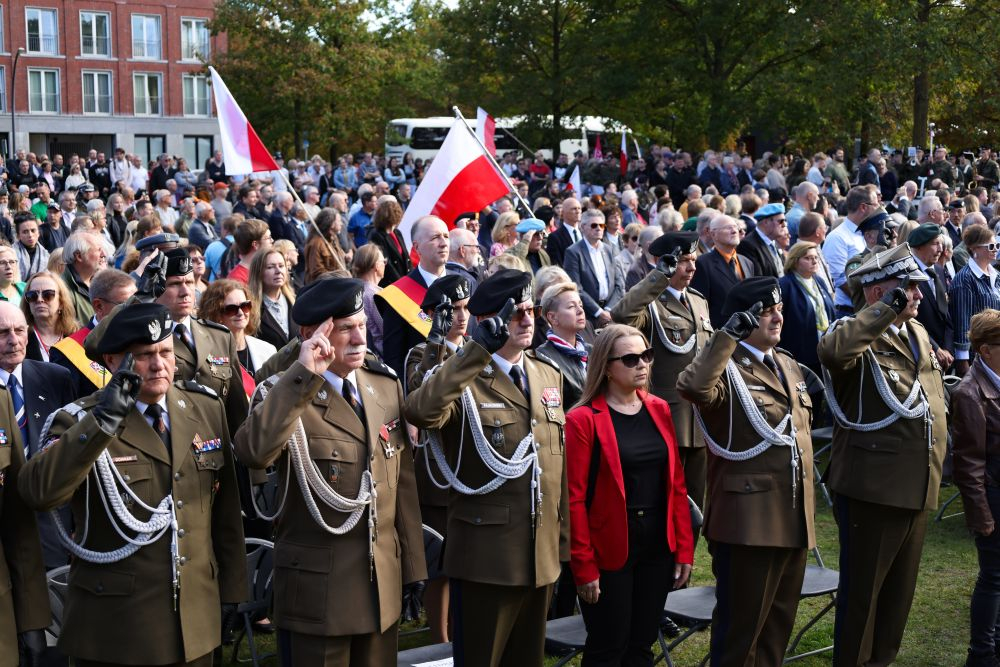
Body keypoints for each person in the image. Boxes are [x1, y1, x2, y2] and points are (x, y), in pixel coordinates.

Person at [20, 302, 247, 666]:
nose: (159, 365)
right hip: (118, 627)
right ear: (112, 362)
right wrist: (102, 423)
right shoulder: (80, 419)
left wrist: (234, 588)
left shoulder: (204, 407)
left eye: (165, 352)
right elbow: (39, 492)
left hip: (195, 618)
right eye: (143, 356)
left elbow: (224, 513)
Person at [234, 277, 427, 667]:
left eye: (362, 325)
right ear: (312, 334)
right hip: (318, 594)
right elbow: (254, 451)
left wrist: (412, 569)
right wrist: (304, 374)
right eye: (346, 329)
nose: (360, 338)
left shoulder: (383, 385)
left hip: (379, 586)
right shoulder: (283, 391)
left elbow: (400, 486)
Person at [404, 268, 568, 667]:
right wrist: (473, 353)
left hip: (539, 553)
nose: (527, 320)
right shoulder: (463, 375)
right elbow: (421, 411)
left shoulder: (547, 373)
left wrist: (560, 545)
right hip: (487, 558)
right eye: (515, 314)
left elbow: (553, 467)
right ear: (487, 321)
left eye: (530, 310)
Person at [817, 244, 948, 667]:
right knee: (863, 599)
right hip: (873, 489)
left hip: (917, 481)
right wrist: (883, 311)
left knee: (897, 600)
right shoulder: (854, 332)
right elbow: (834, 353)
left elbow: (930, 399)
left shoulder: (918, 333)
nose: (918, 295)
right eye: (908, 287)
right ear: (877, 293)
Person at [677, 276, 815, 667]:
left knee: (776, 629)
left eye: (778, 310)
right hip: (748, 523)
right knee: (740, 635)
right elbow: (694, 388)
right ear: (743, 318)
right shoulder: (726, 367)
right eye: (766, 312)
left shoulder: (787, 364)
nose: (776, 318)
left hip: (791, 516)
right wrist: (726, 337)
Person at [566, 324, 694, 666]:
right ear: (606, 367)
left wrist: (683, 547)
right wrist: (584, 566)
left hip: (657, 544)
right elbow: (574, 500)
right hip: (610, 547)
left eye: (647, 355)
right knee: (608, 646)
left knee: (641, 644)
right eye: (631, 358)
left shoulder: (659, 408)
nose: (643, 364)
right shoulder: (582, 420)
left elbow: (676, 486)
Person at [612, 232, 714, 532]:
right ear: (665, 264)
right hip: (668, 419)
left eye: (693, 260)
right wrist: (658, 277)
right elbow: (621, 315)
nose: (691, 267)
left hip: (701, 421)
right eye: (683, 261)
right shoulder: (651, 304)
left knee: (695, 510)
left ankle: (684, 567)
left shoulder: (699, 302)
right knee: (663, 504)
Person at [403, 274, 472, 645]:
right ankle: (439, 638)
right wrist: (435, 341)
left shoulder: (478, 348)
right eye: (452, 311)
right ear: (432, 314)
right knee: (440, 562)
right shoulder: (421, 352)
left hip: (474, 467)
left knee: (467, 559)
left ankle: (463, 627)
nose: (460, 318)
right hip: (437, 471)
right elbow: (418, 391)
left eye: (464, 309)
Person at [0, 300, 74, 570]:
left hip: (52, 530)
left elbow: (72, 456)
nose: (13, 340)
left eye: (19, 331)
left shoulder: (56, 378)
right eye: (3, 333)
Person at [151, 248, 251, 441]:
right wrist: (139, 298)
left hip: (217, 451)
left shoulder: (220, 336)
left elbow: (237, 410)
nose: (185, 291)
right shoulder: (146, 337)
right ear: (157, 289)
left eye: (189, 282)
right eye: (175, 284)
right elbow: (96, 346)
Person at [951, 309, 1000, 667]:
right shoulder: (970, 393)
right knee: (993, 577)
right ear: (985, 350)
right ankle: (981, 654)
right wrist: (981, 515)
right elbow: (968, 465)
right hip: (993, 495)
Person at [377, 215, 451, 377]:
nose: (444, 243)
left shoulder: (465, 284)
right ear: (417, 248)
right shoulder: (397, 295)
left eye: (446, 236)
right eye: (435, 238)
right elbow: (394, 358)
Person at [50, 268, 136, 399]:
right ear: (99, 306)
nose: (134, 311)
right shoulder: (67, 352)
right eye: (125, 305)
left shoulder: (141, 340)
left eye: (136, 303)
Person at [200, 280, 277, 398]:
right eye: (232, 309)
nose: (240, 313)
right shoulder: (206, 355)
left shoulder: (268, 350)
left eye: (245, 306)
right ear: (216, 313)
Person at [778, 241, 834, 377]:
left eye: (815, 257)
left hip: (825, 348)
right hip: (800, 353)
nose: (814, 261)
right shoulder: (784, 285)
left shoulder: (819, 281)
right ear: (795, 261)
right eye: (808, 258)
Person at [690, 215, 756, 327]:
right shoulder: (702, 264)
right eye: (728, 227)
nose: (734, 230)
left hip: (747, 335)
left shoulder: (747, 262)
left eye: (736, 227)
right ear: (713, 234)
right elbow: (700, 306)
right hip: (721, 334)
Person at [951, 225, 1000, 375]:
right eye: (991, 246)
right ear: (975, 249)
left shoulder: (995, 275)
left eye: (997, 245)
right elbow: (962, 322)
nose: (996, 249)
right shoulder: (964, 279)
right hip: (977, 357)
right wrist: (963, 364)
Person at [565, 208, 625, 326]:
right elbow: (576, 287)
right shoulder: (573, 252)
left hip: (611, 313)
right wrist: (598, 312)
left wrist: (607, 310)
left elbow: (619, 284)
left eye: (601, 225)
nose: (598, 228)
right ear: (583, 227)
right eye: (594, 225)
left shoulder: (609, 249)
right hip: (588, 316)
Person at [536, 283, 590, 409]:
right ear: (553, 317)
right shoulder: (542, 357)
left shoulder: (593, 350)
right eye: (571, 306)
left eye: (580, 305)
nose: (580, 310)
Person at [247, 248, 299, 352]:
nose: (278, 271)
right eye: (270, 267)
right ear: (259, 272)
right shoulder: (250, 308)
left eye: (281, 266)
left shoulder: (295, 300)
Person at [21, 270, 78, 362]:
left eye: (48, 295)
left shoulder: (78, 336)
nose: (39, 300)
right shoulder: (19, 339)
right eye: (32, 295)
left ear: (61, 302)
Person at [61, 232, 107, 322]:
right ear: (79, 256)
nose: (103, 254)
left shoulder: (99, 282)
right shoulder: (63, 290)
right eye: (98, 250)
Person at [367, 199, 411, 287]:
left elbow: (406, 257)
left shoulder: (397, 233)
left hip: (404, 280)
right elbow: (387, 264)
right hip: (390, 284)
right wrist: (401, 283)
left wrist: (410, 279)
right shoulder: (376, 235)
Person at [737, 202, 787, 278]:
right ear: (766, 222)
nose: (784, 225)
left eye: (785, 221)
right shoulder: (748, 245)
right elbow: (758, 280)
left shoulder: (773, 240)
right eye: (780, 221)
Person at [354, 245, 386, 357]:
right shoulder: (374, 295)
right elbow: (386, 329)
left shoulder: (354, 289)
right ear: (377, 266)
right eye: (384, 261)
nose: (385, 265)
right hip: (380, 356)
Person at [304, 208, 347, 284]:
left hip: (337, 285)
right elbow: (317, 272)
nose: (341, 223)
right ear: (331, 223)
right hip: (322, 288)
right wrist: (338, 275)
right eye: (339, 221)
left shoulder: (333, 239)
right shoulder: (316, 243)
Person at [12, 213, 48, 281]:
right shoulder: (11, 253)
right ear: (18, 235)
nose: (30, 235)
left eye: (33, 230)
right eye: (25, 232)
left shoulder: (46, 255)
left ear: (38, 233)